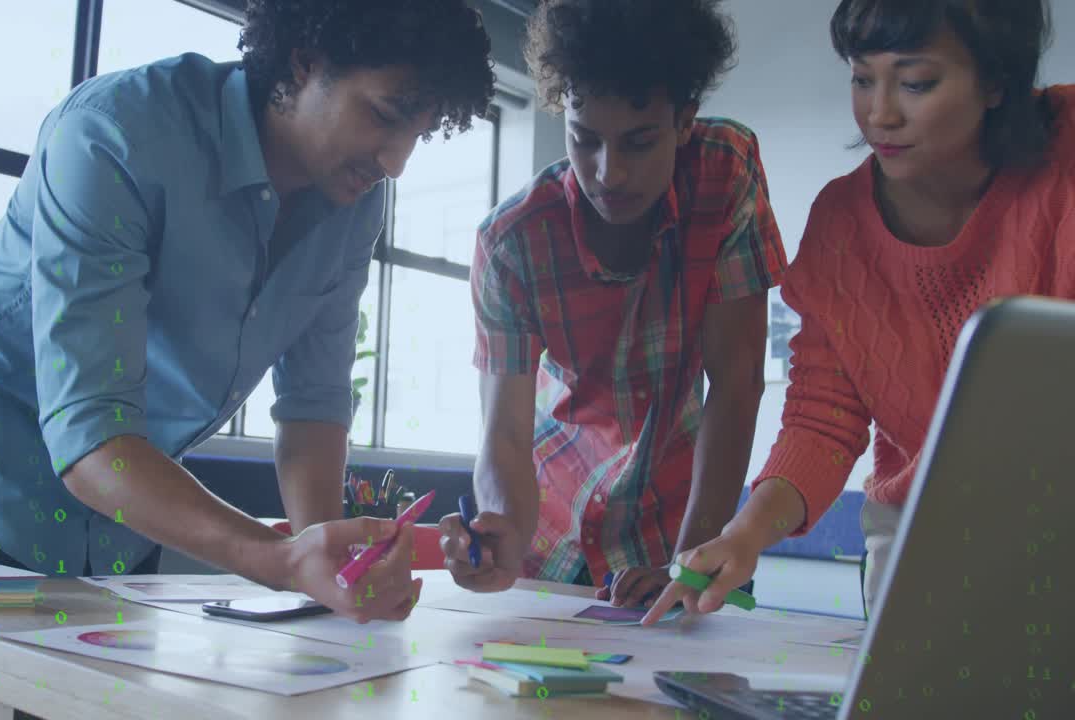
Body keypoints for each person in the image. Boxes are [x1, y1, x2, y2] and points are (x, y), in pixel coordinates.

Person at [0, 0, 495, 623]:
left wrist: (329, 563)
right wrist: (279, 560)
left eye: (416, 135)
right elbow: (88, 428)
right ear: (305, 64)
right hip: (9, 440)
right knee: (18, 686)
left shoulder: (355, 205)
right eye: (384, 116)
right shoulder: (115, 134)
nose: (395, 163)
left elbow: (314, 405)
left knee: (115, 694)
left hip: (143, 474)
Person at [644, 0, 1073, 625]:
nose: (881, 113)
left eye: (916, 82)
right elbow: (823, 418)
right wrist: (746, 532)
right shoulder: (840, 227)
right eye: (862, 77)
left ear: (997, 81)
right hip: (926, 535)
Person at [439, 0, 788, 608]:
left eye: (639, 142)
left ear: (684, 120)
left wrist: (691, 562)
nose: (609, 173)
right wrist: (502, 532)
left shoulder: (725, 172)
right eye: (585, 139)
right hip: (550, 533)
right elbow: (506, 429)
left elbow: (736, 384)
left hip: (683, 527)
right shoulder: (512, 241)